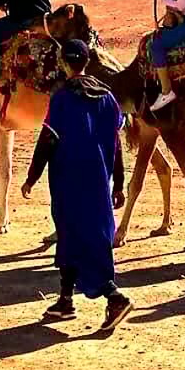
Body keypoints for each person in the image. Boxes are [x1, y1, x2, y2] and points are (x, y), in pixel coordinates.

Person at [21, 40, 133, 330]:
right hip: (99, 183)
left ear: (63, 63)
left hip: (69, 182)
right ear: (86, 61)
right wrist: (118, 184)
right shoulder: (108, 98)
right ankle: (66, 300)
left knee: (80, 239)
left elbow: (47, 140)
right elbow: (116, 144)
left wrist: (31, 177)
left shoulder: (62, 99)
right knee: (78, 237)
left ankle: (114, 296)